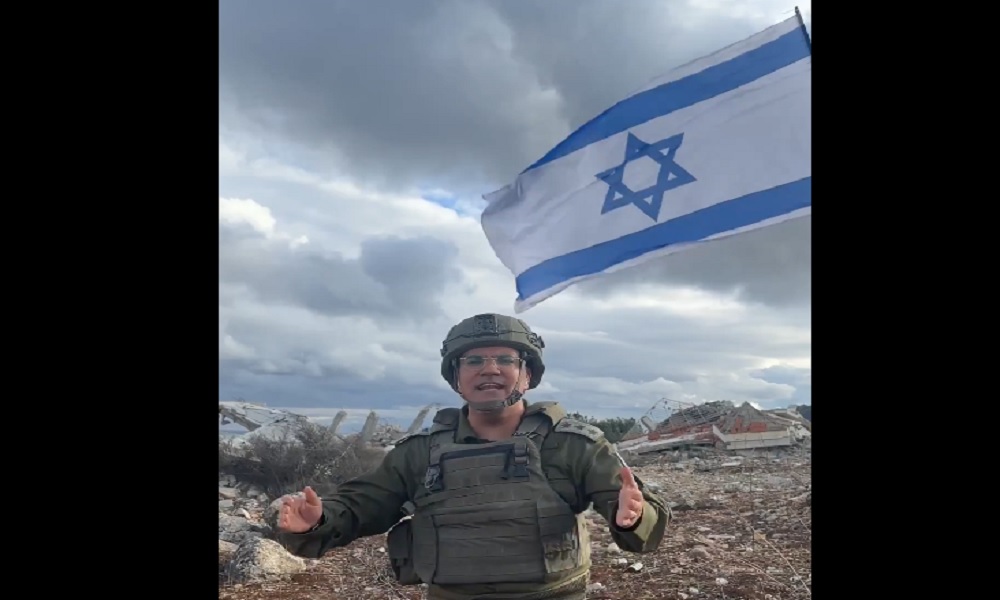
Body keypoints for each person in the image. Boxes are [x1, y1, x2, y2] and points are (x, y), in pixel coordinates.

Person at [275, 313, 672, 600]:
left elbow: (636, 513)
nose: (490, 370)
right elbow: (365, 504)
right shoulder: (420, 452)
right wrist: (319, 520)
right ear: (456, 376)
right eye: (474, 361)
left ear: (528, 375)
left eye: (506, 360)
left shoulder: (572, 444)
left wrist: (635, 517)